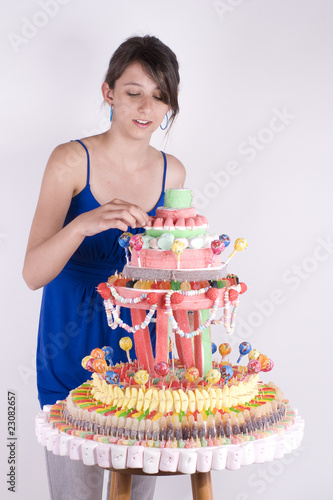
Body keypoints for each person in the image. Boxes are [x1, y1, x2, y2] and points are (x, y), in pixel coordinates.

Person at [23, 35, 185, 500]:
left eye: (160, 96)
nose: (145, 107)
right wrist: (83, 225)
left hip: (144, 357)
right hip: (69, 348)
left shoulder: (172, 173)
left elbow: (164, 274)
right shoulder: (70, 160)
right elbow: (32, 273)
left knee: (136, 495)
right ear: (108, 91)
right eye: (133, 91)